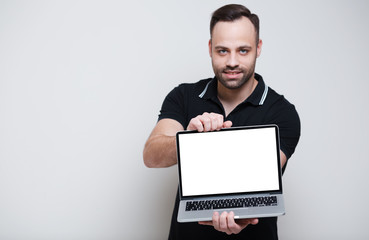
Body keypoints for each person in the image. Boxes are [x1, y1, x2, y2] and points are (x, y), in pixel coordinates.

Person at [143, 4, 300, 239]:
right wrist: (189, 140)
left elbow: (259, 176)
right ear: (210, 49)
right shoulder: (183, 96)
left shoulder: (282, 112)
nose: (232, 62)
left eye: (243, 50)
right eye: (222, 51)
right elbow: (151, 156)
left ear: (258, 48)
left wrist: (241, 218)